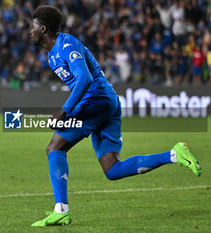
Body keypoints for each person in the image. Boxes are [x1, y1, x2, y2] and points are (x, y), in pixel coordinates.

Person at [29, 6, 202, 227]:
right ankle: (174, 155)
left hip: (96, 99)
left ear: (43, 28)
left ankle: (61, 210)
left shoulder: (66, 45)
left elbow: (84, 79)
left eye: (32, 27)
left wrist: (64, 111)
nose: (30, 31)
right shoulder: (51, 55)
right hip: (105, 102)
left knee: (55, 147)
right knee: (112, 169)